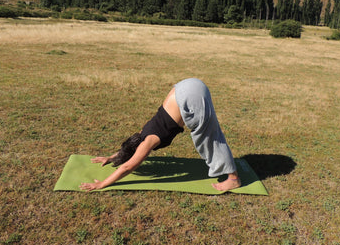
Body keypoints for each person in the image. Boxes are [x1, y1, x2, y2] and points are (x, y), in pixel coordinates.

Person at [80, 78, 241, 192]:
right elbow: (128, 151)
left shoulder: (148, 141)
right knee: (208, 135)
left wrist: (102, 184)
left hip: (190, 97)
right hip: (185, 86)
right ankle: (229, 172)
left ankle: (234, 179)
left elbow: (128, 166)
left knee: (208, 139)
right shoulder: (142, 133)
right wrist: (111, 157)